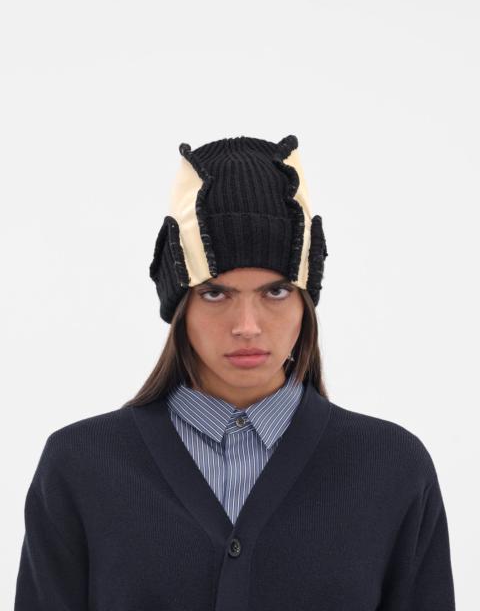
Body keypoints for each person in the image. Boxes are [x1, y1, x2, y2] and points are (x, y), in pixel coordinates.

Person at [14, 134, 456, 610]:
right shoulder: (81, 466)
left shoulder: (391, 469)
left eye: (276, 292)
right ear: (180, 307)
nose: (247, 326)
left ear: (305, 304)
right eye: (215, 294)